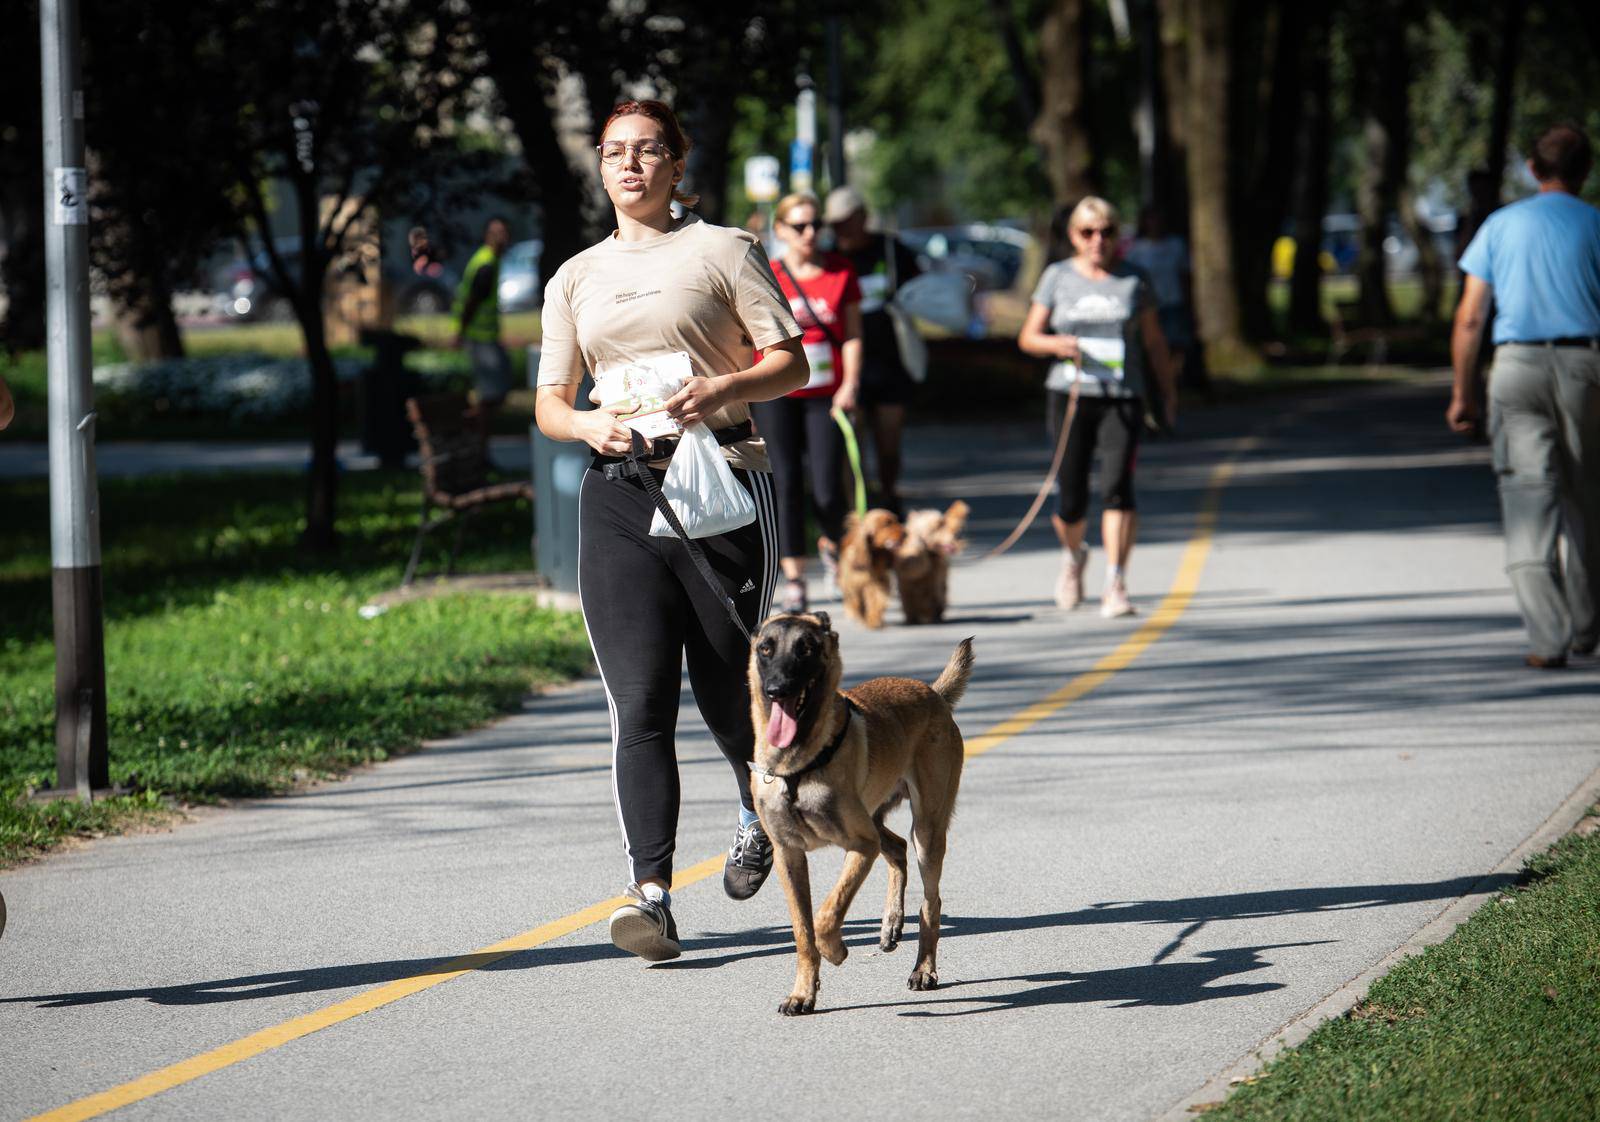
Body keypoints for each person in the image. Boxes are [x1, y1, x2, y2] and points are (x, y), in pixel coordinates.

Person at [533, 99, 807, 960]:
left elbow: (790, 360)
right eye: (615, 152)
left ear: (677, 164)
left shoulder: (724, 251)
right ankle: (650, 897)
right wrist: (586, 426)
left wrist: (721, 391)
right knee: (639, 702)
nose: (630, 166)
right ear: (600, 166)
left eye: (649, 151)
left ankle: (756, 802)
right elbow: (548, 402)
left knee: (730, 695)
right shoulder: (574, 276)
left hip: (721, 481)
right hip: (619, 492)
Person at [1448, 123, 1600, 669]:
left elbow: (1470, 318)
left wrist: (1463, 392)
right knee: (1589, 497)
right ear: (1584, 171)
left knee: (1528, 495)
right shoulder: (1596, 224)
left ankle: (1548, 637)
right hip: (1587, 364)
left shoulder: (1499, 226)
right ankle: (1587, 625)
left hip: (1515, 367)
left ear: (1533, 170)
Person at [1017, 196, 1178, 618]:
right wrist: (1057, 344)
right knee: (1070, 498)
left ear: (1118, 235)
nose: (1097, 240)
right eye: (1088, 232)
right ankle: (1074, 558)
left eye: (1106, 231)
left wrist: (1168, 392)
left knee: (1117, 489)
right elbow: (1028, 337)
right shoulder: (1057, 277)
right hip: (1070, 396)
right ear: (1073, 236)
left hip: (1122, 397)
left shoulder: (1134, 279)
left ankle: (1115, 581)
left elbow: (1155, 342)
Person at [753, 191, 862, 613]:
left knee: (828, 486)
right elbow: (750, 338)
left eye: (816, 224)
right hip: (777, 392)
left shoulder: (840, 272)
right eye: (799, 226)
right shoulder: (768, 275)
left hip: (826, 395)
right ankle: (795, 575)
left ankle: (832, 546)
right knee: (785, 482)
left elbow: (852, 334)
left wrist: (850, 384)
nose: (810, 233)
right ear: (780, 230)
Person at [826, 186, 921, 516]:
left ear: (863, 218)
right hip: (847, 365)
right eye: (834, 224)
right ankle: (858, 512)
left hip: (890, 361)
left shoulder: (892, 251)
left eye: (846, 222)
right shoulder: (830, 259)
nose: (840, 230)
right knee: (851, 445)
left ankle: (890, 496)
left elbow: (921, 292)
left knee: (889, 442)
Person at [1124, 205, 1206, 400]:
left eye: (1158, 219)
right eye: (1151, 219)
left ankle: (1170, 386)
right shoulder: (1137, 249)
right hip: (1147, 309)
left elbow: (1185, 276)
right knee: (1150, 350)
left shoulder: (1176, 245)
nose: (1155, 224)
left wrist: (1190, 304)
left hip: (1172, 303)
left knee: (1175, 348)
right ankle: (1155, 388)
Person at [452, 216, 513, 428]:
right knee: (491, 393)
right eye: (497, 233)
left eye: (504, 233)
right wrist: (460, 332)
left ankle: (477, 432)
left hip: (486, 338)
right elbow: (472, 301)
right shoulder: (486, 263)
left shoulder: (488, 259)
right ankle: (476, 433)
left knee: (497, 389)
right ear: (488, 236)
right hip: (480, 339)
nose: (501, 238)